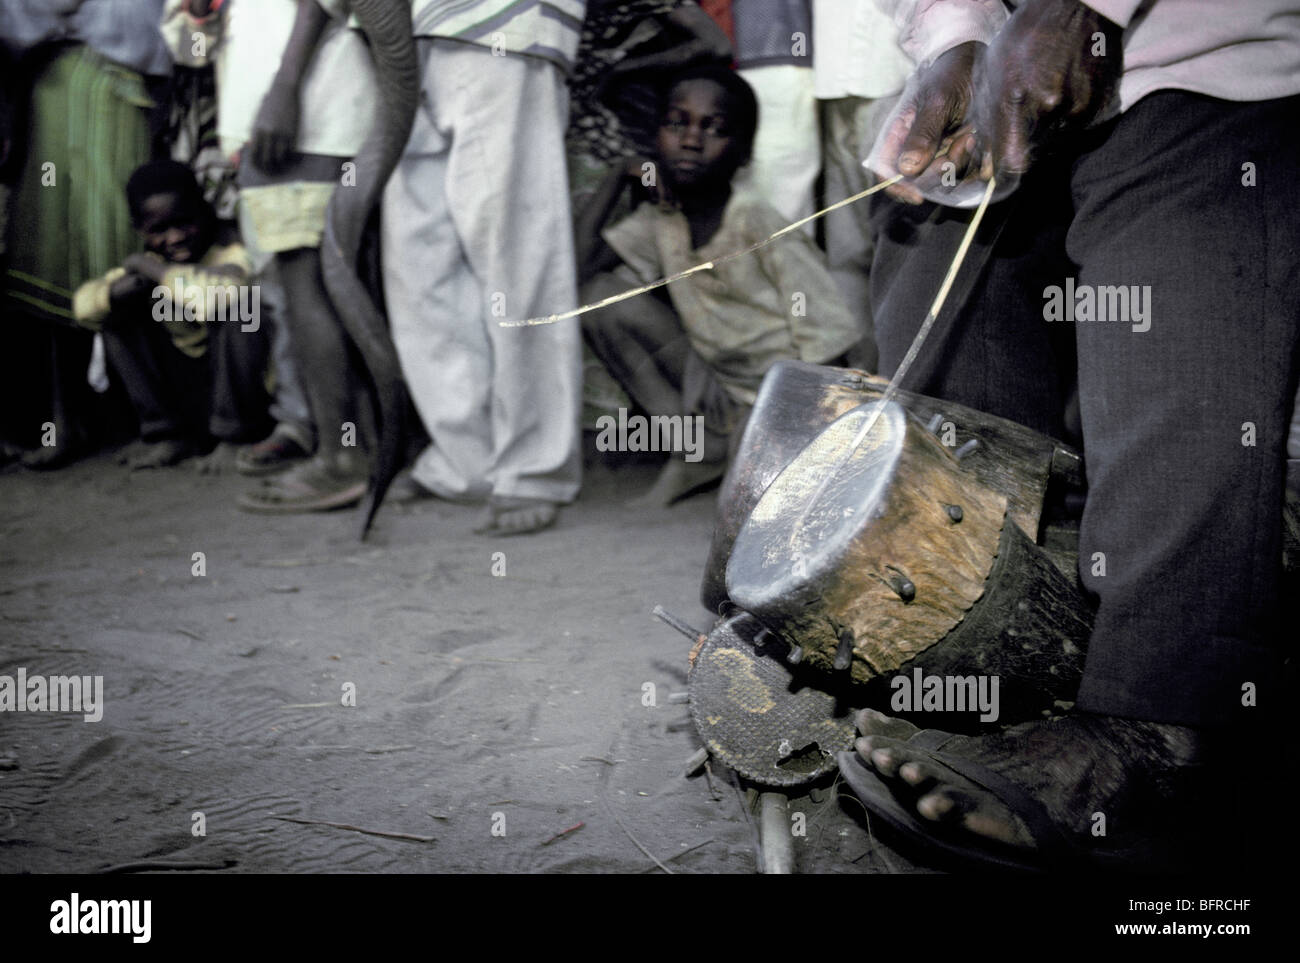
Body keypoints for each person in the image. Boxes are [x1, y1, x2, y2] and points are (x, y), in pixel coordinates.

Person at [839, 0, 1300, 871]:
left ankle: (1161, 719)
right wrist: (958, 36)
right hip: (1009, 88)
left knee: (1178, 264)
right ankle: (1004, 653)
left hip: (1197, 58)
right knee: (932, 259)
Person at [578, 65, 858, 504]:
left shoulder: (757, 220)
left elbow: (828, 342)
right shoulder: (660, 218)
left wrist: (812, 425)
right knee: (597, 301)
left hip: (783, 394)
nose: (691, 140)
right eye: (677, 123)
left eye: (716, 129)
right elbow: (581, 271)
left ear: (744, 151)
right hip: (714, 382)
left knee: (745, 511)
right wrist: (618, 176)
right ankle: (698, 450)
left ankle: (751, 457)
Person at [378, 0, 587, 536]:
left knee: (517, 259)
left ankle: (533, 469)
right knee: (419, 270)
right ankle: (466, 459)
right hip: (397, 38)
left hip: (502, 24)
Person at [71, 160, 274, 468]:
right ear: (139, 230)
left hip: (248, 399)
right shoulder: (156, 260)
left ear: (204, 210)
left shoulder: (230, 249)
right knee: (116, 315)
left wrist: (149, 268)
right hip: (194, 396)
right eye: (159, 229)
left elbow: (208, 300)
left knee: (244, 307)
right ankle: (168, 436)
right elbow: (82, 308)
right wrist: (118, 289)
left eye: (184, 222)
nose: (176, 237)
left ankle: (237, 437)